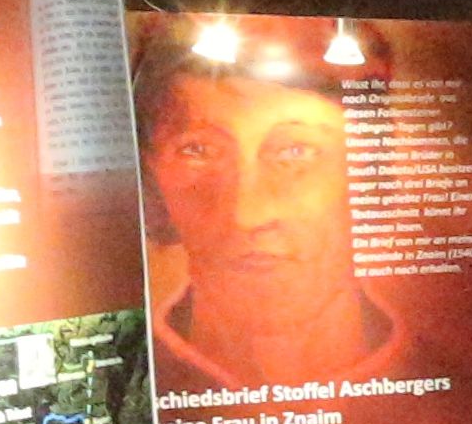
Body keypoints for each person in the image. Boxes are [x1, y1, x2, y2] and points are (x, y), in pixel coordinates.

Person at [140, 44, 417, 388]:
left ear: (370, 169)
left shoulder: (467, 388)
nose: (247, 214)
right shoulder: (127, 386)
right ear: (152, 176)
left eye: (296, 150)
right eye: (198, 150)